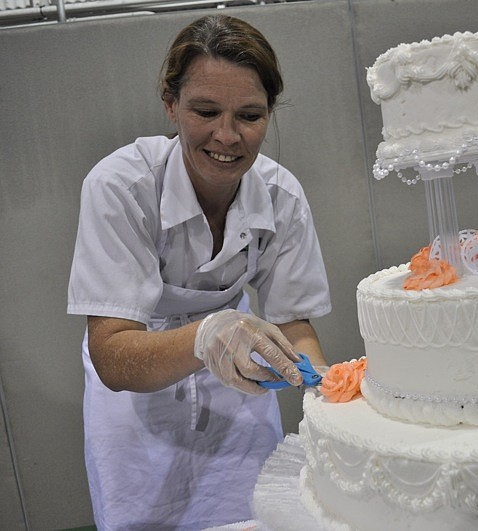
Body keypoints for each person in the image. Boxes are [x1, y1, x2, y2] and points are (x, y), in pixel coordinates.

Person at [67, 14, 331, 529]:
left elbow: (295, 325)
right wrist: (208, 332)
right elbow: (113, 356)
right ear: (171, 105)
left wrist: (324, 388)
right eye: (206, 111)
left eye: (250, 115)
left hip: (241, 389)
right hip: (139, 398)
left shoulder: (281, 195)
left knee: (252, 514)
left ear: (270, 114)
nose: (227, 136)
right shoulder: (122, 187)